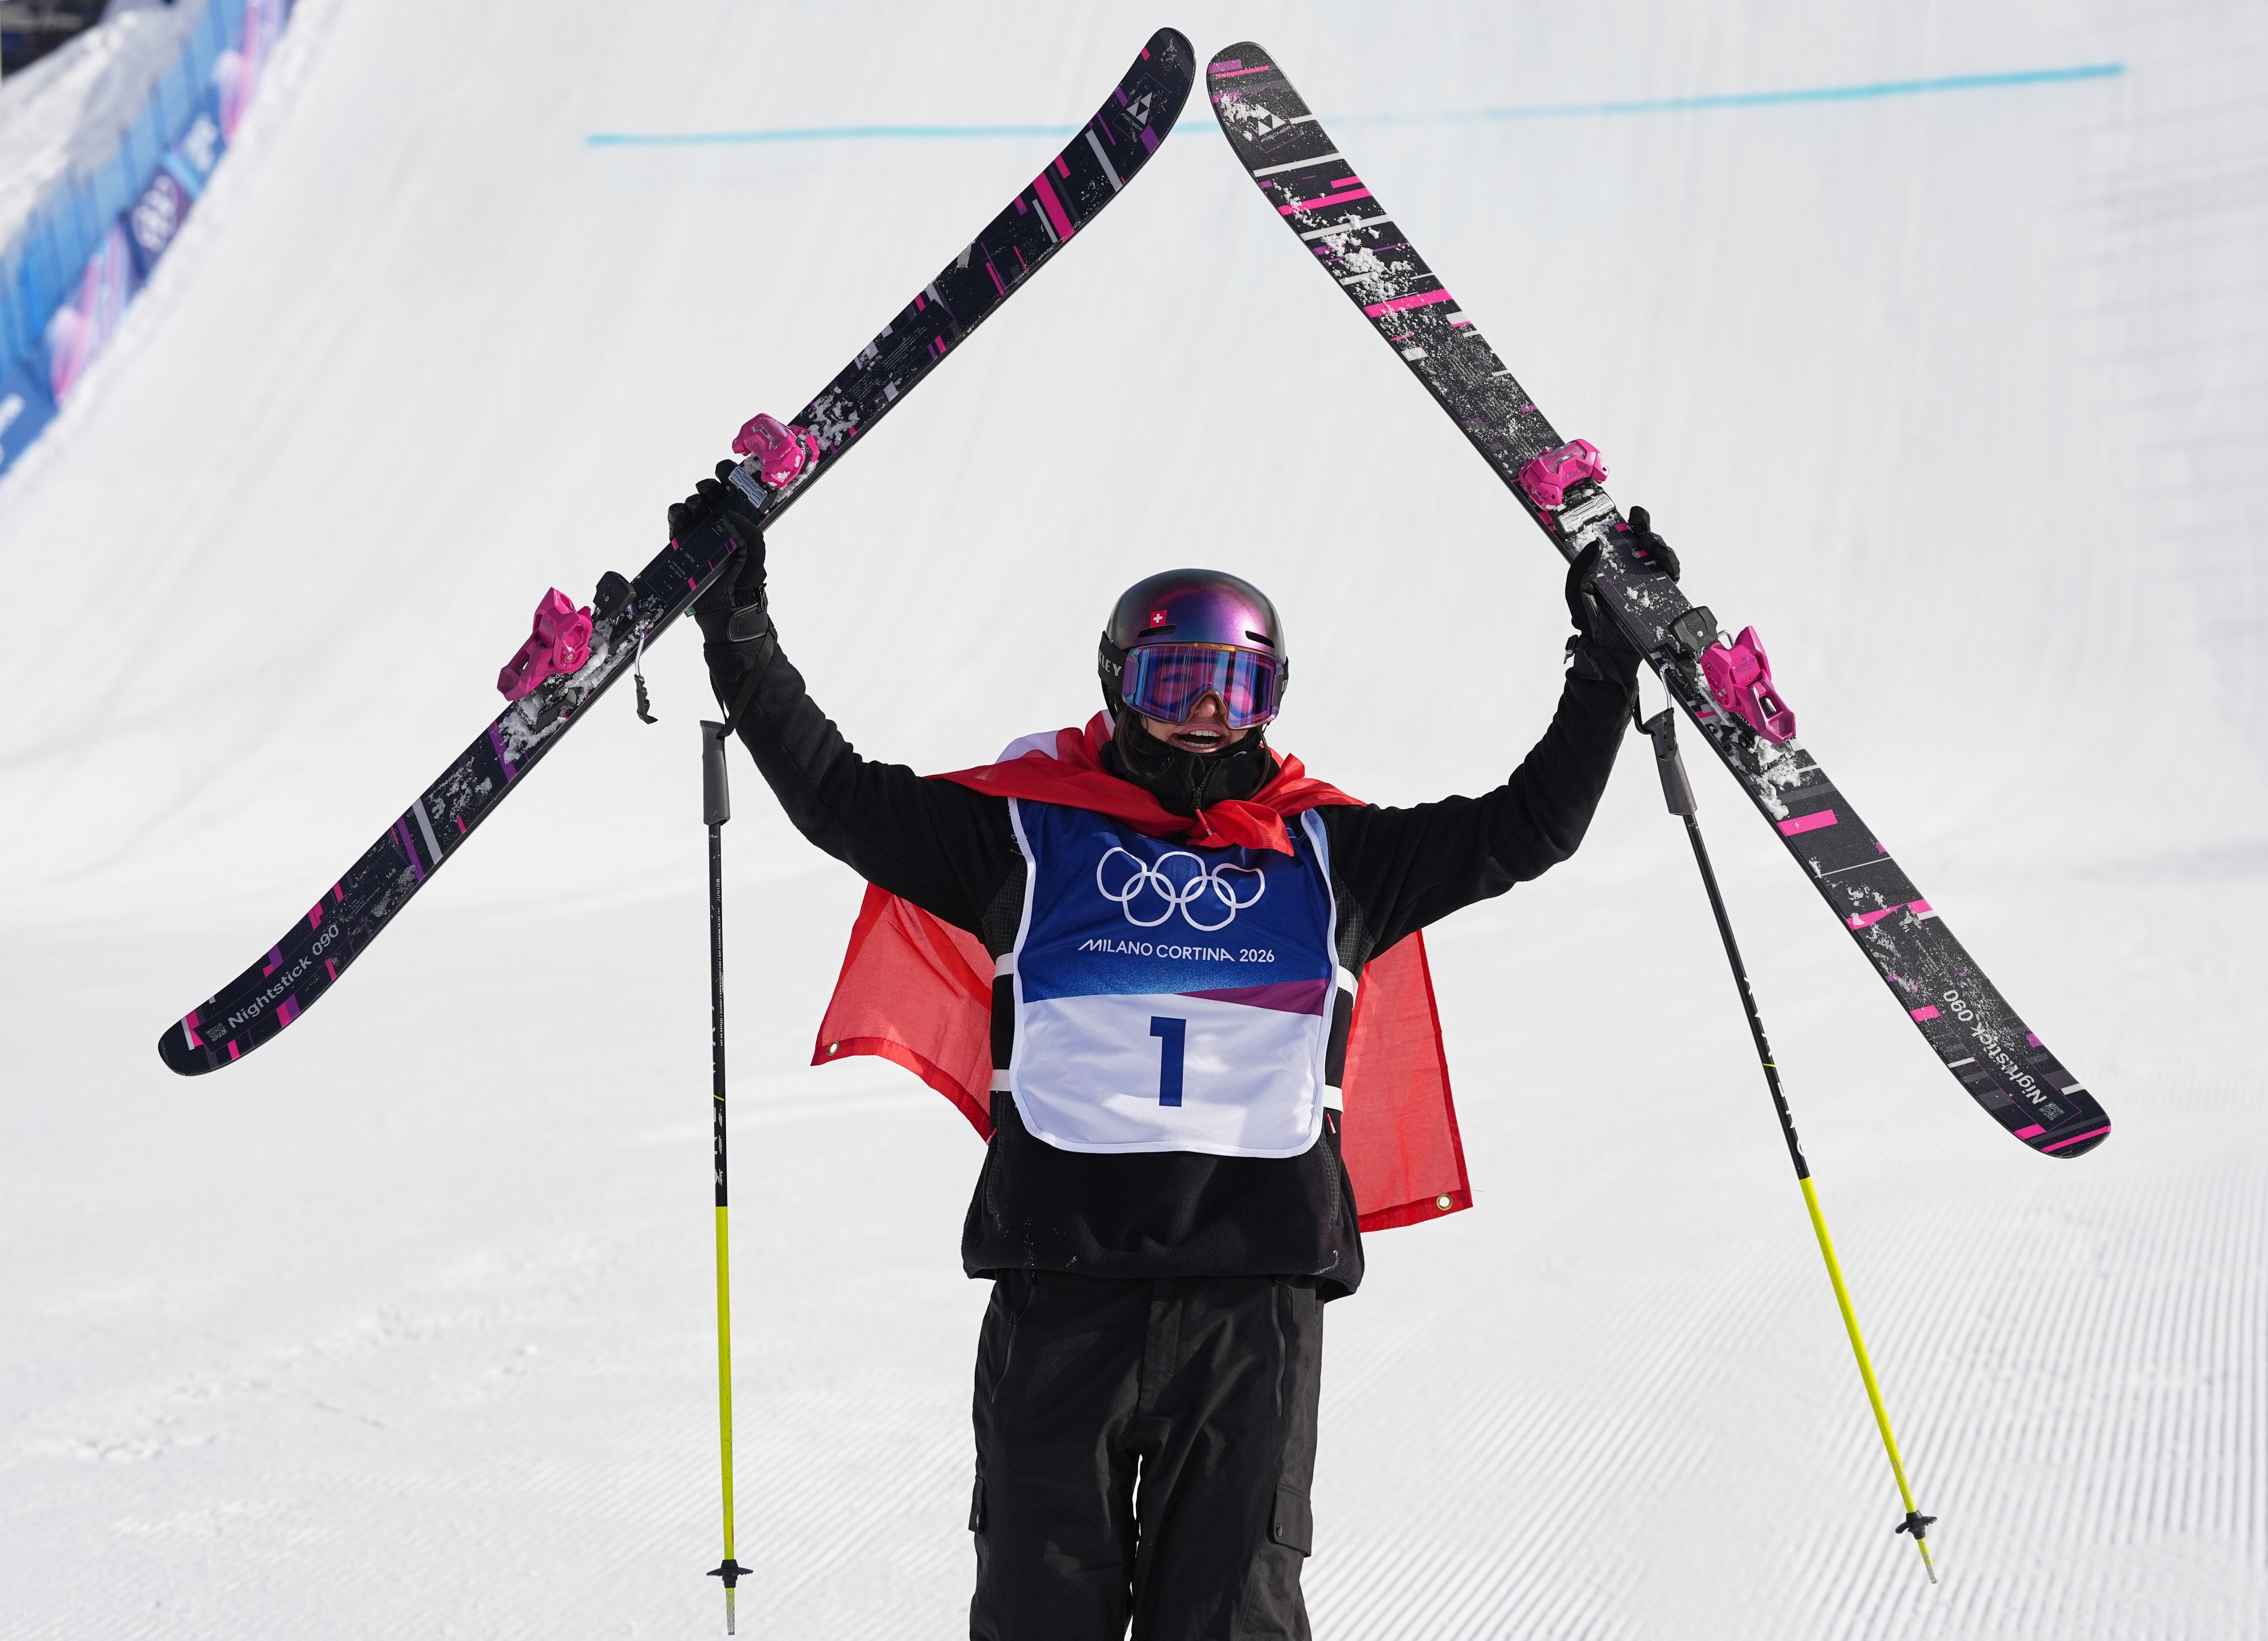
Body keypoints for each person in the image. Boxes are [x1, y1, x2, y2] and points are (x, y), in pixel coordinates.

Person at [670, 457, 1678, 1641]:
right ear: (1117, 684)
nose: (1206, 715)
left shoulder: (1330, 855)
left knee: (1232, 1617)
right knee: (1041, 1611)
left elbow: (1531, 827)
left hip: (1249, 1308)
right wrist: (736, 629)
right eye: (1176, 681)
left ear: (1272, 698)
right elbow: (838, 797)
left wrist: (1607, 662)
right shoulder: (1021, 838)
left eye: (1236, 688)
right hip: (1061, 1292)